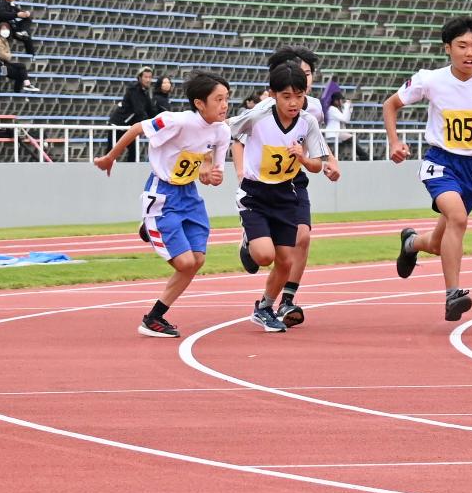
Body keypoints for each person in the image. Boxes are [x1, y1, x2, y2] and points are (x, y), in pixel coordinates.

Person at [384, 16, 472, 322]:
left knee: (441, 243)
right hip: (440, 161)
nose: (470, 52)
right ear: (448, 48)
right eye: (462, 46)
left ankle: (412, 243)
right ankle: (453, 294)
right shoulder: (430, 79)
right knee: (458, 217)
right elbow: (390, 105)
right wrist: (394, 142)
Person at [94, 71, 232, 338]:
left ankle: (154, 317)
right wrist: (111, 157)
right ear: (199, 103)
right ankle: (150, 224)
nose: (225, 105)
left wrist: (212, 175)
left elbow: (212, 174)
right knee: (184, 263)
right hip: (163, 194)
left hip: (190, 196)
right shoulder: (175, 120)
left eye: (227, 98)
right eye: (219, 99)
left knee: (197, 260)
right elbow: (137, 128)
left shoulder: (223, 131)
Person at [230, 61, 340, 332]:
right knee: (265, 255)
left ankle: (265, 307)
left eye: (299, 96)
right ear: (273, 94)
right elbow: (225, 132)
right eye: (286, 96)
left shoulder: (307, 122)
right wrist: (220, 166)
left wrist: (302, 157)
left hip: (286, 194)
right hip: (255, 194)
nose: (293, 103)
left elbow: (317, 165)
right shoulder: (257, 116)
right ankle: (250, 241)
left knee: (285, 260)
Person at [109, 67, 158, 160]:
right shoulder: (133, 90)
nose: (148, 80)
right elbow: (139, 110)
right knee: (111, 152)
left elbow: (151, 110)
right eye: (145, 77)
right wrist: (148, 126)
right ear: (139, 78)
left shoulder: (145, 92)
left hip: (129, 127)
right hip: (118, 125)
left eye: (150, 77)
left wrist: (157, 121)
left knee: (134, 153)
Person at [0, 24, 27, 92]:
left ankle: (26, 84)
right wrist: (8, 55)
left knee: (21, 66)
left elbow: (7, 56)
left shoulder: (5, 41)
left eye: (7, 29)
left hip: (4, 63)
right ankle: (19, 90)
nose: (5, 31)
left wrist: (8, 55)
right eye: (3, 29)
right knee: (19, 74)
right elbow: (5, 56)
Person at [323, 86, 352, 159]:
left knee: (350, 139)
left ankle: (337, 155)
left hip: (337, 133)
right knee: (351, 139)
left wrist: (348, 110)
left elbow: (346, 120)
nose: (342, 102)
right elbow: (344, 119)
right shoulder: (332, 109)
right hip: (333, 133)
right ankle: (364, 156)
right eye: (341, 100)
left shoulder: (336, 109)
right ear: (336, 101)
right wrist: (346, 107)